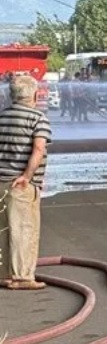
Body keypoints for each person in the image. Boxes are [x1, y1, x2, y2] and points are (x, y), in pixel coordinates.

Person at [0, 75, 52, 291]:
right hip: (20, 184)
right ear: (35, 94)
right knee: (23, 229)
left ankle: (3, 275)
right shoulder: (38, 118)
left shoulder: (1, 117)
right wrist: (28, 176)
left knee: (3, 229)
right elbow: (38, 148)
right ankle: (22, 277)